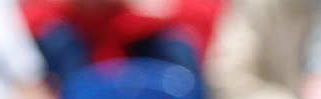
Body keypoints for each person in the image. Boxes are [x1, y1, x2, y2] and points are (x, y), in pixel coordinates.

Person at [23, 0, 220, 82]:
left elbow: (211, 18)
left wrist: (145, 11)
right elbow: (26, 20)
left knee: (175, 47)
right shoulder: (63, 19)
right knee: (59, 41)